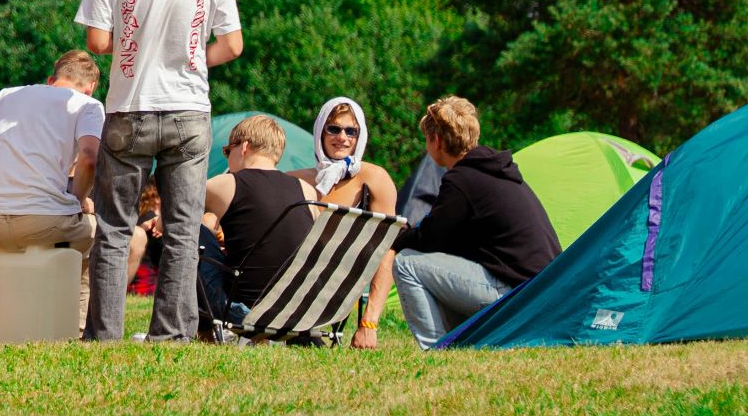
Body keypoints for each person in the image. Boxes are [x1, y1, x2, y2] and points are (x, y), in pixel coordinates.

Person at [76, 0, 244, 343]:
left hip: (130, 107)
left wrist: (136, 45)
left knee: (113, 228)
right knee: (184, 229)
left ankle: (105, 335)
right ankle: (170, 333)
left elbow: (97, 41)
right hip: (189, 109)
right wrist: (192, 56)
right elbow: (232, 44)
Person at [0, 50, 105, 331]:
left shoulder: (4, 96)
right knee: (96, 232)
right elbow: (90, 158)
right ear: (90, 88)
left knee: (31, 235)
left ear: (50, 79)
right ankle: (77, 329)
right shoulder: (87, 106)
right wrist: (77, 202)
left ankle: (11, 325)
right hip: (43, 222)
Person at [391, 96, 561, 350]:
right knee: (436, 266)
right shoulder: (492, 171)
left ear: (436, 141)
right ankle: (463, 343)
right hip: (542, 291)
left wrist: (396, 236)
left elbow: (430, 238)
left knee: (406, 263)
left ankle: (436, 350)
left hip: (516, 294)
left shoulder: (462, 179)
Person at [288, 96, 398, 349]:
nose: (343, 138)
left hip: (337, 284)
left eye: (351, 131)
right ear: (320, 132)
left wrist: (368, 324)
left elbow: (385, 250)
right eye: (334, 129)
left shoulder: (374, 179)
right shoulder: (297, 179)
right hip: (291, 279)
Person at [198, 115, 316, 330]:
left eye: (227, 151)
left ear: (244, 147)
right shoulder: (306, 190)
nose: (227, 159)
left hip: (243, 311)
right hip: (298, 311)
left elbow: (177, 215)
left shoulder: (225, 184)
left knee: (192, 231)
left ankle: (197, 329)